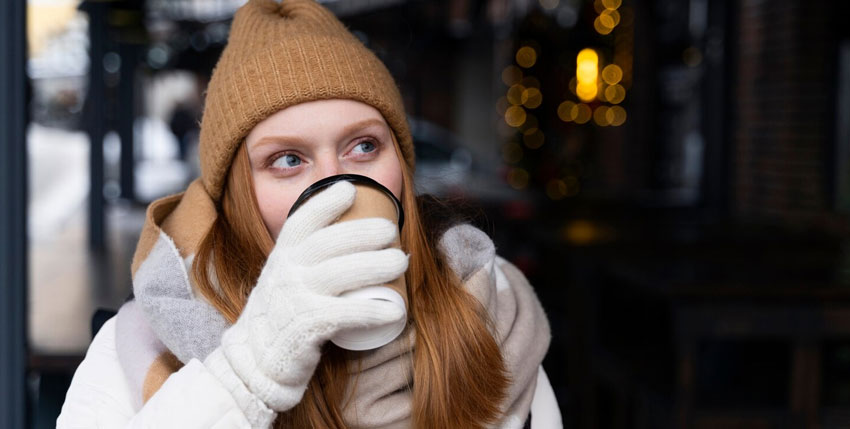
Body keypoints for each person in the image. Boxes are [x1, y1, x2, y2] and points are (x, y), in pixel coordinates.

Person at [57, 0, 558, 427]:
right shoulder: (144, 345)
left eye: (363, 146)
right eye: (288, 160)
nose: (334, 186)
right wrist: (251, 370)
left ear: (401, 166)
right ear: (238, 194)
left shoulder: (491, 317)